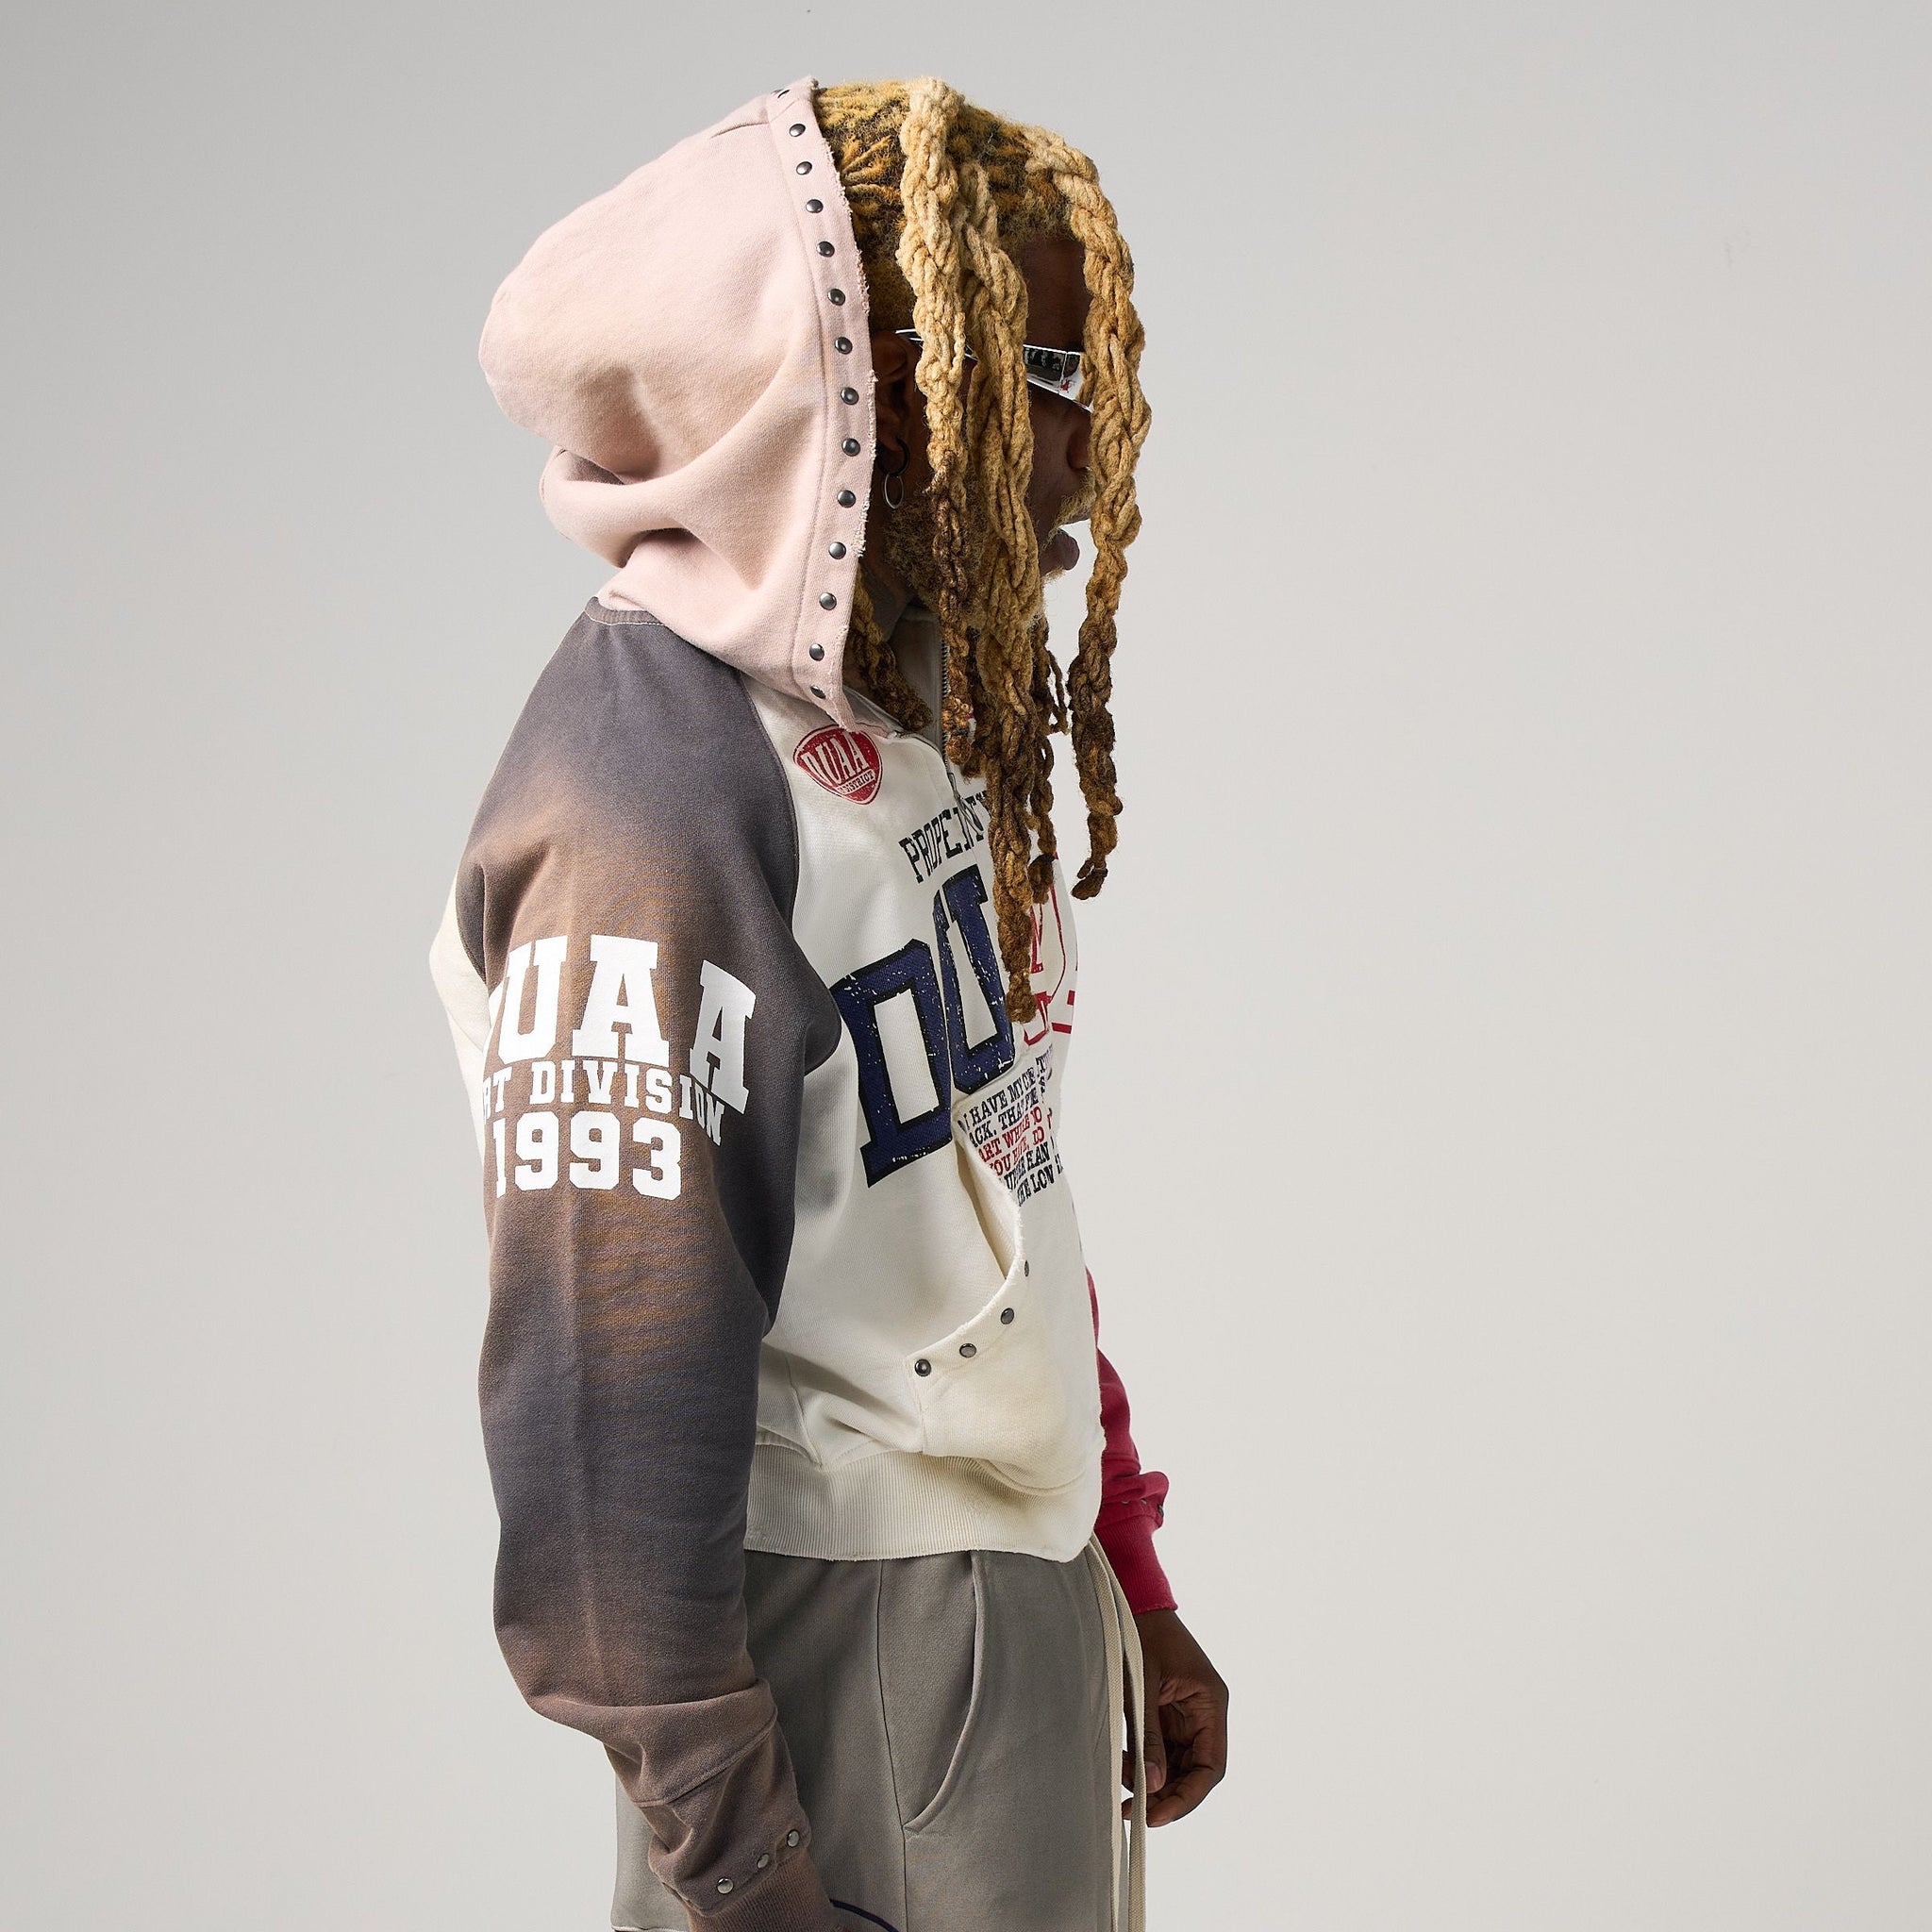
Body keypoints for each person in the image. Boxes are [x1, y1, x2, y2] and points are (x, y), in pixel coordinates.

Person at [428, 75, 1227, 1932]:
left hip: (1010, 1609)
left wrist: (1119, 1567)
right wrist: (738, 1859)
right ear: (853, 377)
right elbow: (603, 1391)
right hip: (846, 1646)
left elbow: (988, 1189)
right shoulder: (649, 792)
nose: (1082, 440)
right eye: (1043, 370)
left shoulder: (891, 708)